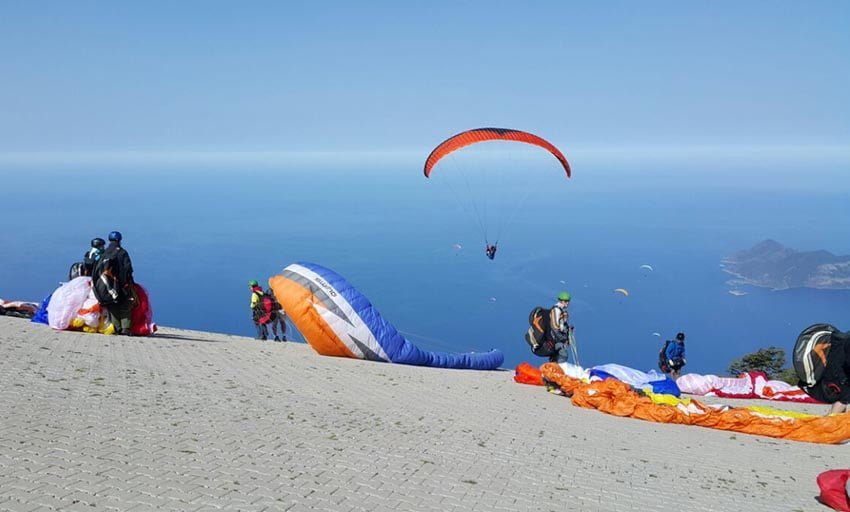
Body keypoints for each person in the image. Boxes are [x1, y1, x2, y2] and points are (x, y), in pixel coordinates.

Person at [93, 231, 135, 335]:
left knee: (112, 305)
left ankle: (117, 328)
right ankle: (125, 328)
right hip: (122, 283)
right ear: (119, 240)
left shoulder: (105, 253)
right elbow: (128, 268)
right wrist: (128, 282)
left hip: (108, 285)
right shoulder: (122, 252)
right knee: (125, 305)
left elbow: (98, 270)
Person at [548, 291, 573, 364]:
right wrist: (563, 338)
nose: (567, 303)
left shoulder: (563, 311)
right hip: (555, 339)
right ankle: (557, 372)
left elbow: (563, 325)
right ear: (560, 300)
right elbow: (554, 327)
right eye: (565, 301)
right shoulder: (556, 310)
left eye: (568, 301)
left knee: (556, 356)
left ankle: (551, 372)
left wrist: (568, 332)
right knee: (563, 355)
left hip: (558, 339)